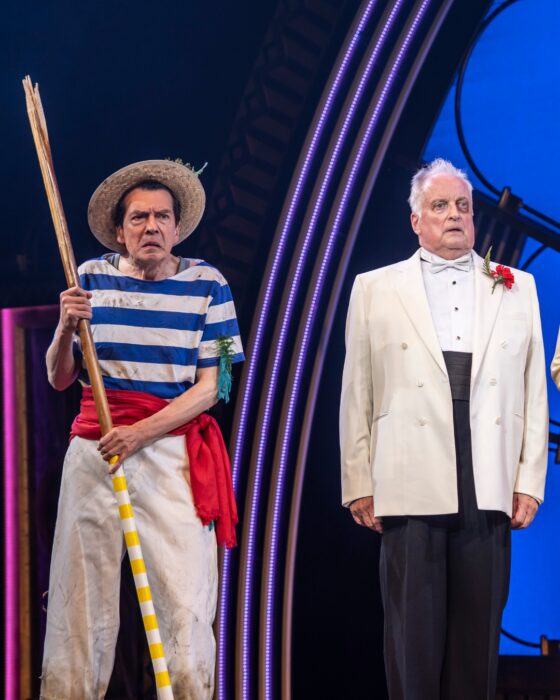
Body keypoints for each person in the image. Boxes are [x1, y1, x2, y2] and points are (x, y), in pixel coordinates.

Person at [340, 158, 548, 700]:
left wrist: (529, 480)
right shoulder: (374, 287)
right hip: (407, 468)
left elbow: (533, 389)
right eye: (440, 206)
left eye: (462, 206)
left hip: (488, 466)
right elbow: (357, 388)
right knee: (413, 637)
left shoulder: (518, 286)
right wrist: (358, 480)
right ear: (416, 220)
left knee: (477, 639)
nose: (454, 214)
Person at [40, 159, 244, 700]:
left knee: (184, 603)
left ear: (177, 228)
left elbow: (216, 385)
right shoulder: (90, 278)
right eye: (138, 218)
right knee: (78, 605)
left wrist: (141, 433)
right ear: (119, 230)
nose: (151, 227)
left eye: (162, 217)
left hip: (170, 452)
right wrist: (64, 326)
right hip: (96, 451)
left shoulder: (209, 285)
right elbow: (59, 377)